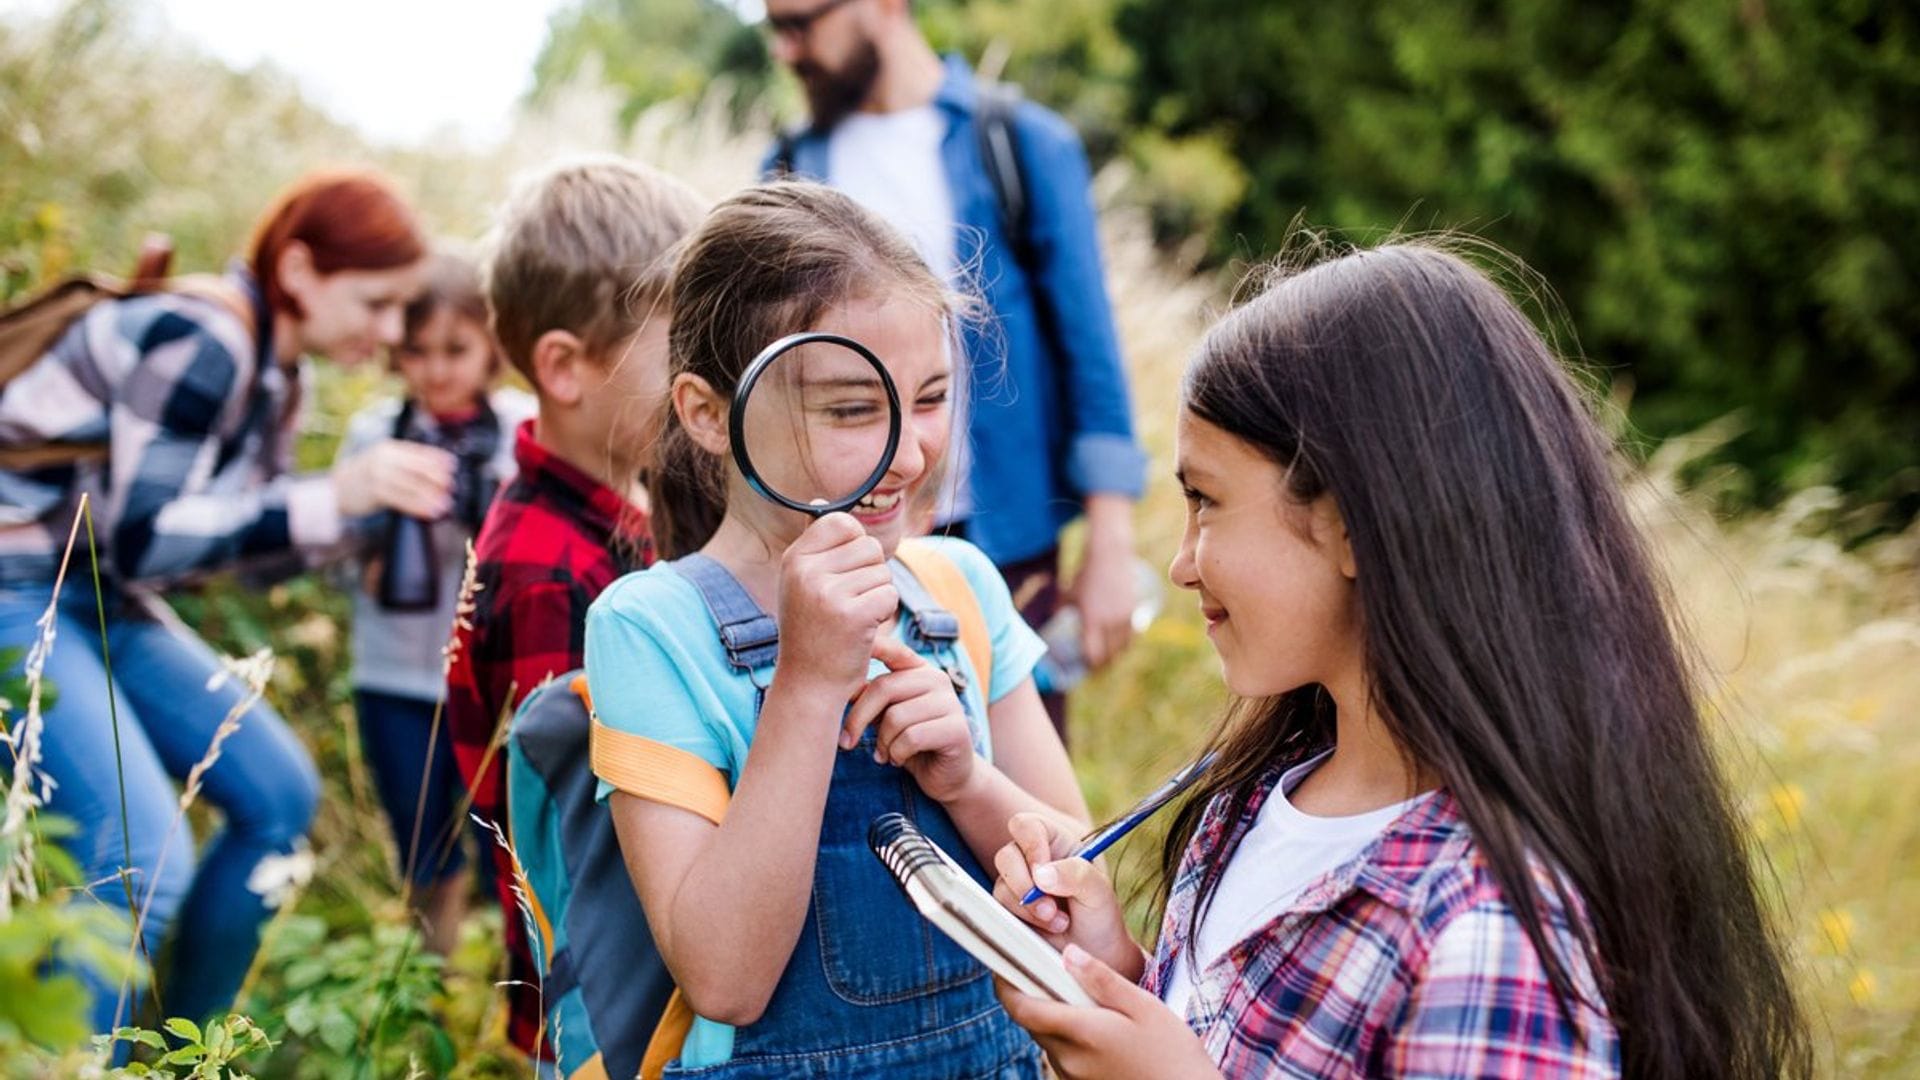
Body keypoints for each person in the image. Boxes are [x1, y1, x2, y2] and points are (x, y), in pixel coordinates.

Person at [989, 242, 1811, 1079]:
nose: (1184, 562)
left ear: (1349, 522)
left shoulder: (1487, 931)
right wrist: (1110, 976)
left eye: (1206, 500)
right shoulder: (1255, 800)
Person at [584, 181, 1089, 1078]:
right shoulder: (650, 628)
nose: (908, 454)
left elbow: (1082, 904)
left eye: (929, 398)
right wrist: (807, 688)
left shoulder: (961, 590)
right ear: (708, 414)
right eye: (853, 409)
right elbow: (726, 979)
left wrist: (968, 781)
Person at [0, 169, 439, 1031]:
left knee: (278, 794)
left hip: (97, 594)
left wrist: (365, 520)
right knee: (136, 856)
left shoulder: (280, 380)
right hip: (17, 584)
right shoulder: (208, 337)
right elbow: (148, 538)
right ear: (303, 269)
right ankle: (74, 1060)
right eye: (377, 303)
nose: (389, 333)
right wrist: (331, 496)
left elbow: (227, 550)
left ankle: (182, 1050)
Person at [760, 0, 1147, 739]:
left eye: (801, 22)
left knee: (1018, 772)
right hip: (853, 541)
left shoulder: (1022, 145)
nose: (786, 49)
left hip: (1011, 542)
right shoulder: (788, 170)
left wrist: (1111, 543)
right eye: (775, 27)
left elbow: (1089, 348)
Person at [442, 156, 706, 1070]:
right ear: (564, 367)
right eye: (680, 349)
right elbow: (578, 832)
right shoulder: (551, 571)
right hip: (612, 1007)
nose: (701, 379)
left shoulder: (611, 520)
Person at [335, 250, 533, 955]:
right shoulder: (375, 435)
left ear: (491, 348)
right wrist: (375, 548)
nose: (438, 370)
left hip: (493, 679)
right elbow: (333, 555)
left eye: (457, 349)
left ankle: (520, 1004)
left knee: (510, 856)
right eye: (416, 352)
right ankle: (429, 991)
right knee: (423, 847)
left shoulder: (519, 430)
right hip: (394, 674)